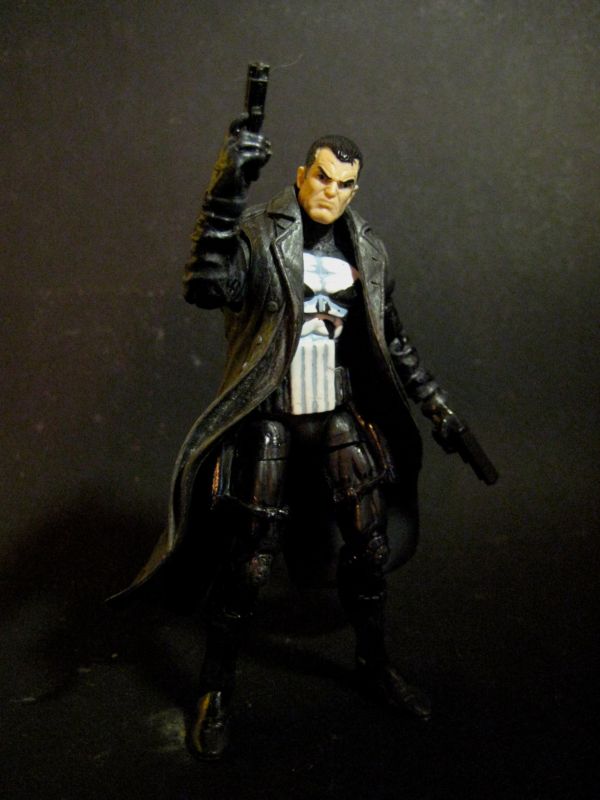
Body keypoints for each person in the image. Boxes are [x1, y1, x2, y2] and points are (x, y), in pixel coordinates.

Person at [111, 120, 493, 760]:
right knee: (249, 562)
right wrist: (224, 193)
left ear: (355, 190)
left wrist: (438, 408)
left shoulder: (368, 253)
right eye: (322, 177)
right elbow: (206, 286)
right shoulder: (260, 235)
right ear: (300, 174)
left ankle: (374, 664)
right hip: (269, 419)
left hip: (336, 415)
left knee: (369, 550)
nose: (330, 192)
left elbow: (394, 343)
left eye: (345, 184)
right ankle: (217, 687)